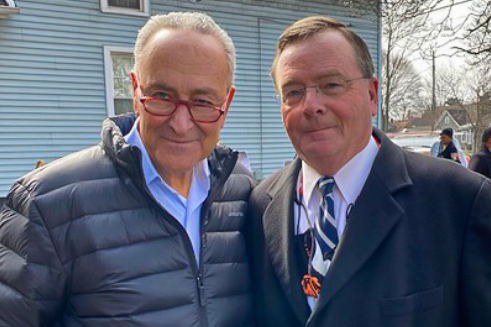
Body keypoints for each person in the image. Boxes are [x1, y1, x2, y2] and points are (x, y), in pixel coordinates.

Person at [0, 12, 255, 327]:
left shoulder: (241, 191)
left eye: (202, 102)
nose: (180, 123)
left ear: (226, 104)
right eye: (162, 96)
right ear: (135, 91)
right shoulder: (47, 202)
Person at [247, 16, 491, 327]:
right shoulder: (260, 206)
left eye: (331, 85)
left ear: (372, 94)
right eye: (293, 91)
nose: (311, 105)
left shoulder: (460, 200)